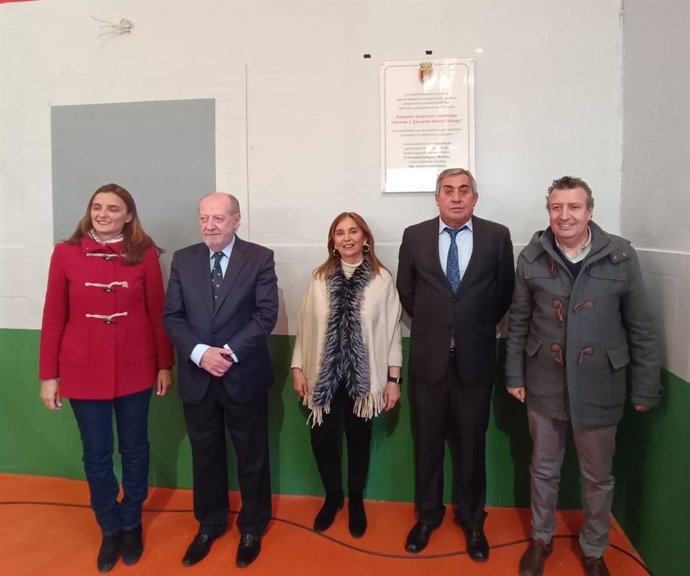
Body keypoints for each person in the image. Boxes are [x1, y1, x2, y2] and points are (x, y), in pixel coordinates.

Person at [505, 176, 661, 576]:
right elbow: (518, 322)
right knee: (543, 470)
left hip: (601, 384)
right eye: (557, 207)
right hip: (544, 383)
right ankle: (541, 540)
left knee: (598, 477)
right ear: (549, 212)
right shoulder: (532, 257)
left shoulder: (620, 256)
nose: (565, 215)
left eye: (574, 207)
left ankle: (594, 548)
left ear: (590, 211)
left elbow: (641, 326)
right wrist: (514, 374)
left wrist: (645, 386)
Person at [39, 183, 174, 573]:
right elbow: (53, 318)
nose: (103, 214)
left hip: (136, 367)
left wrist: (165, 364)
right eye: (97, 207)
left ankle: (131, 521)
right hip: (81, 371)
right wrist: (49, 375)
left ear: (129, 215)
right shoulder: (65, 253)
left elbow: (157, 314)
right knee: (96, 456)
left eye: (113, 209)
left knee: (135, 450)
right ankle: (108, 525)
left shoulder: (145, 255)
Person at [396, 168, 515, 561]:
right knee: (427, 444)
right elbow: (407, 292)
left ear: (475, 198)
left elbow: (503, 294)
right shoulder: (414, 236)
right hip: (428, 362)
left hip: (475, 362)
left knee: (471, 445)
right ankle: (427, 517)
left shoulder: (497, 237)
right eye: (448, 190)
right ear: (437, 197)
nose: (457, 197)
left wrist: (470, 326)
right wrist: (439, 325)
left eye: (465, 190)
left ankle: (472, 520)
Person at [163, 192, 278, 569]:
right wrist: (200, 353)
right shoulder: (184, 260)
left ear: (236, 220)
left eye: (218, 219)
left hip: (242, 373)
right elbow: (173, 317)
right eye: (204, 219)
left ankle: (252, 526)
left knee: (252, 456)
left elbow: (265, 314)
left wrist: (225, 352)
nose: (210, 226)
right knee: (206, 456)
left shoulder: (259, 258)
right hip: (198, 377)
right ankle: (209, 524)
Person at [291, 212, 403, 538]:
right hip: (323, 376)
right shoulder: (319, 278)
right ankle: (332, 497)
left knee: (358, 441)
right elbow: (304, 325)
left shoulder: (383, 280)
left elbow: (393, 332)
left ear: (366, 239)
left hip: (363, 380)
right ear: (333, 242)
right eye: (340, 233)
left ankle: (355, 500)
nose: (347, 237)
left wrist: (394, 380)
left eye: (353, 231)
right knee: (322, 441)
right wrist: (297, 367)